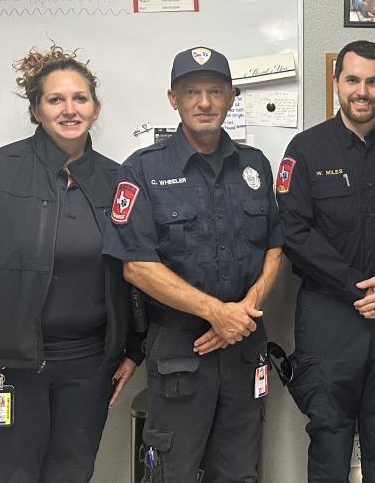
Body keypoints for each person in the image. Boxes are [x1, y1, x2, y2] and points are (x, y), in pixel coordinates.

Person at [0, 44, 141, 482]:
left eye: (80, 98)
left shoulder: (119, 181)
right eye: (55, 99)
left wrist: (134, 348)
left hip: (87, 370)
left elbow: (135, 270)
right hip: (3, 369)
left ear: (96, 108)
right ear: (37, 110)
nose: (69, 109)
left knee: (71, 474)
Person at [103, 46, 284, 482]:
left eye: (215, 91)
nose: (204, 102)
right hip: (181, 350)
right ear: (173, 98)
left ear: (231, 97)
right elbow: (136, 266)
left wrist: (241, 313)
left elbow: (275, 249)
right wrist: (215, 314)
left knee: (240, 470)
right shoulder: (142, 169)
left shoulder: (254, 165)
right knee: (172, 471)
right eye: (192, 92)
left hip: (244, 347)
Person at [279, 40, 375, 483]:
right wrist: (357, 286)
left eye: (372, 81)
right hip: (330, 322)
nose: (362, 91)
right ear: (336, 83)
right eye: (352, 80)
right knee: (329, 441)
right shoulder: (305, 149)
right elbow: (295, 231)